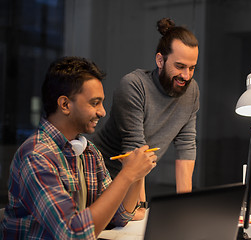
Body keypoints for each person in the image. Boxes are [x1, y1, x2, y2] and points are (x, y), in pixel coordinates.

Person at [0, 56, 157, 239]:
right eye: (94, 103)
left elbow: (119, 215)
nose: (102, 111)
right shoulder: (36, 156)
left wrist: (136, 175)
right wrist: (127, 175)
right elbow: (73, 234)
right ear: (65, 105)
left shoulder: (88, 151)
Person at [91, 17, 200, 219]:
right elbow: (136, 148)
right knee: (135, 220)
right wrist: (140, 206)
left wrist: (186, 208)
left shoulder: (191, 91)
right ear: (160, 60)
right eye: (180, 66)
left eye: (192, 68)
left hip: (136, 174)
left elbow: (186, 145)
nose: (186, 75)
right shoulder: (134, 86)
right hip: (102, 176)